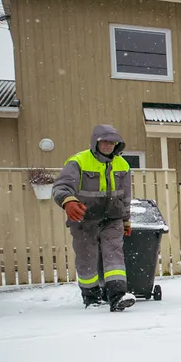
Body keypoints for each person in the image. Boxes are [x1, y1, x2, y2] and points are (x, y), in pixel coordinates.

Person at [52, 124, 136, 311]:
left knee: (114, 253)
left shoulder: (122, 165)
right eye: (104, 141)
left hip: (112, 218)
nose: (108, 145)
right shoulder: (79, 161)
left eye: (112, 142)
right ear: (95, 142)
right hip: (84, 218)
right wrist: (68, 201)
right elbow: (62, 186)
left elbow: (125, 196)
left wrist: (125, 220)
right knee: (86, 256)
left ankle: (117, 295)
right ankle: (91, 297)